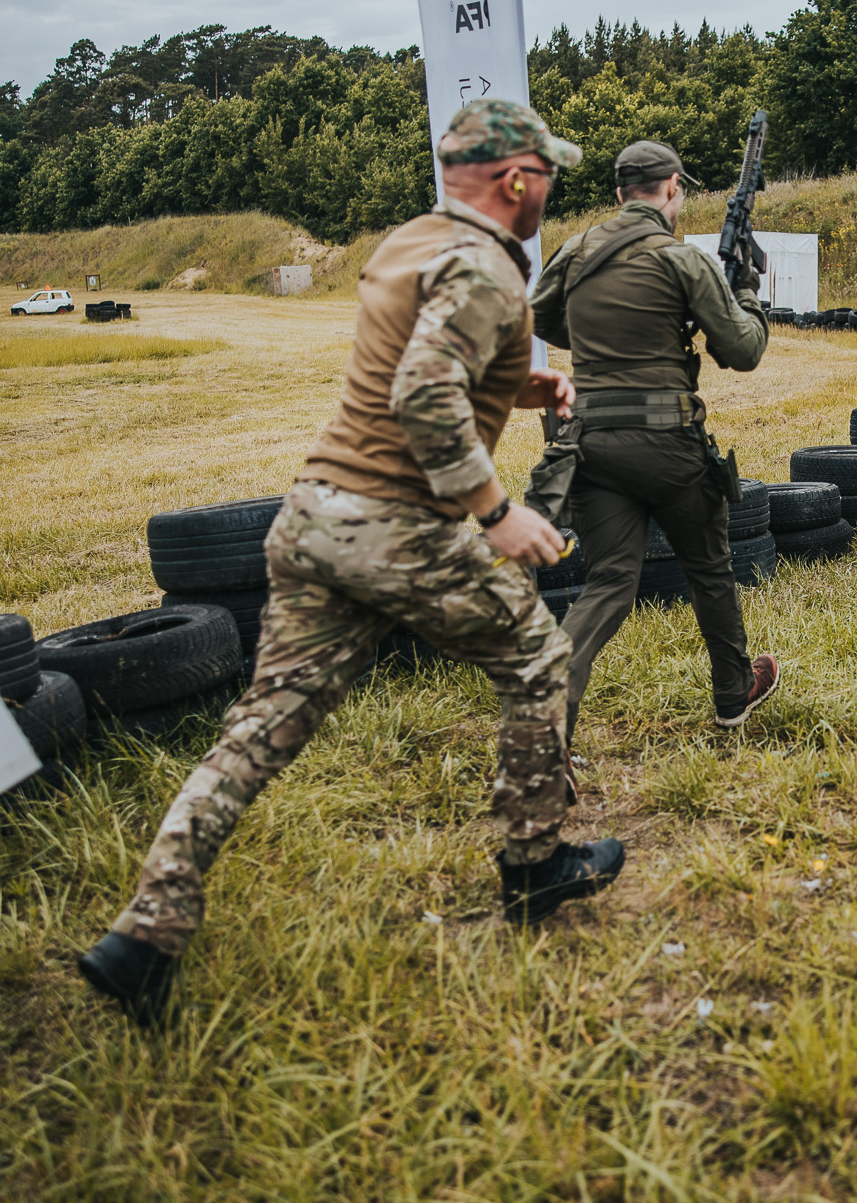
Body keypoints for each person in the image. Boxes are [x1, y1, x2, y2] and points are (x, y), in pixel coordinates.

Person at [77, 99, 621, 1027]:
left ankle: (143, 932)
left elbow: (411, 359)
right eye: (548, 176)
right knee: (536, 656)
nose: (550, 194)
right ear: (516, 179)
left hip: (313, 518)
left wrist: (515, 381)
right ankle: (533, 868)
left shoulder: (411, 240)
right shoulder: (487, 264)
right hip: (399, 525)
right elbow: (419, 392)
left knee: (261, 725)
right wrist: (495, 512)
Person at [531, 139, 782, 735]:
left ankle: (545, 707)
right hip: (668, 445)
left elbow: (539, 318)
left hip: (588, 443)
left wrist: (602, 341)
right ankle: (732, 693)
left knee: (610, 582)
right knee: (708, 568)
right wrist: (747, 292)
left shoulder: (576, 250)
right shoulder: (682, 260)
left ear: (620, 193)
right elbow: (743, 350)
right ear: (672, 187)